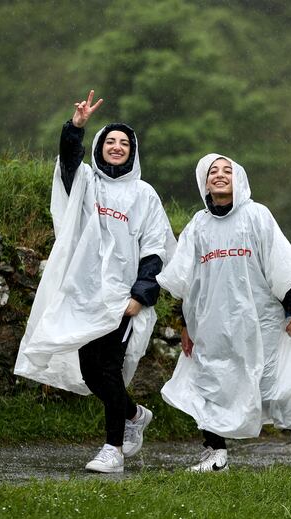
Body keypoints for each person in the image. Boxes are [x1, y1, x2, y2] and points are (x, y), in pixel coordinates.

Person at [14, 90, 175, 473]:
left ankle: (113, 450)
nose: (116, 147)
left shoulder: (144, 194)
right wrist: (76, 128)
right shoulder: (86, 182)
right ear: (99, 148)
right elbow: (69, 161)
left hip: (122, 296)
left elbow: (155, 249)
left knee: (109, 369)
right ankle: (134, 414)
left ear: (133, 152)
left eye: (124, 143)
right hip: (83, 293)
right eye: (110, 142)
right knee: (90, 369)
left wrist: (141, 294)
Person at [156, 154, 291, 472]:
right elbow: (189, 281)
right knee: (209, 383)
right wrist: (187, 324)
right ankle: (215, 453)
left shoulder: (256, 216)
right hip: (214, 324)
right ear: (204, 182)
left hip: (262, 319)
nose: (219, 175)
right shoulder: (198, 226)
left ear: (239, 178)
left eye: (227, 170)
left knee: (277, 383)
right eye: (212, 172)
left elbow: (279, 265)